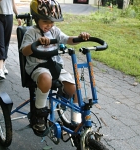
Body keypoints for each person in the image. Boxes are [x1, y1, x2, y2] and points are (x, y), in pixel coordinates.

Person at [20, 0, 90, 135]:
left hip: (55, 67)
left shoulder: (55, 31)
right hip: (38, 66)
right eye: (46, 22)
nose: (49, 25)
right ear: (36, 18)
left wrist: (80, 38)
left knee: (74, 89)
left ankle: (75, 121)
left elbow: (68, 39)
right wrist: (37, 43)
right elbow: (25, 51)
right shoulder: (31, 33)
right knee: (46, 78)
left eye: (52, 22)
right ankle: (39, 114)